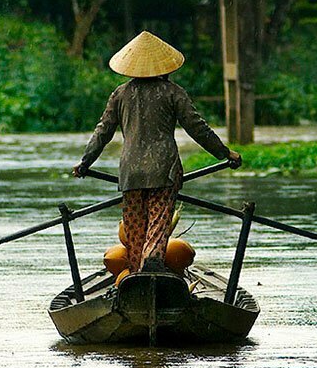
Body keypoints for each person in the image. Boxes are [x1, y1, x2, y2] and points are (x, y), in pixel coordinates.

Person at [73, 31, 241, 274]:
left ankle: (135, 273)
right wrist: (225, 153)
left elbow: (103, 132)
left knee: (134, 230)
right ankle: (152, 262)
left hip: (130, 173)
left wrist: (85, 162)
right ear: (166, 67)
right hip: (164, 171)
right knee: (158, 224)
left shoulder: (120, 94)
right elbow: (197, 128)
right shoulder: (173, 92)